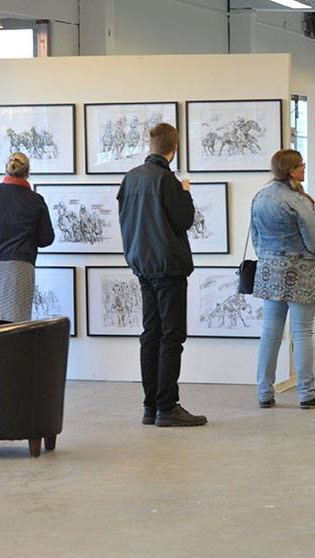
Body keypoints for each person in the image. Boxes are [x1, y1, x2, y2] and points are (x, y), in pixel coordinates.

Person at [117, 123, 206, 427]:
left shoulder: (131, 178)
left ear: (151, 146)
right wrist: (186, 193)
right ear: (174, 149)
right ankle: (167, 407)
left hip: (142, 264)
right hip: (168, 266)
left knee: (151, 334)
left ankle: (150, 406)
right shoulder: (167, 180)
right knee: (171, 336)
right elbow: (184, 220)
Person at [251, 150, 315, 409]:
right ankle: (307, 393)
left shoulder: (260, 196)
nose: (304, 169)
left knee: (270, 332)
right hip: (301, 271)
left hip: (269, 270)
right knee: (302, 331)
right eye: (301, 165)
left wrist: (269, 256)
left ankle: (264, 392)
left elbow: (255, 237)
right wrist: (313, 248)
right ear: (291, 170)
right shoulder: (298, 200)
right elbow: (314, 241)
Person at [0, 152, 54, 333]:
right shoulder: (36, 200)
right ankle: (8, 354)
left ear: (7, 169)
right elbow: (46, 239)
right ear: (28, 172)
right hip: (17, 269)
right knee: (11, 327)